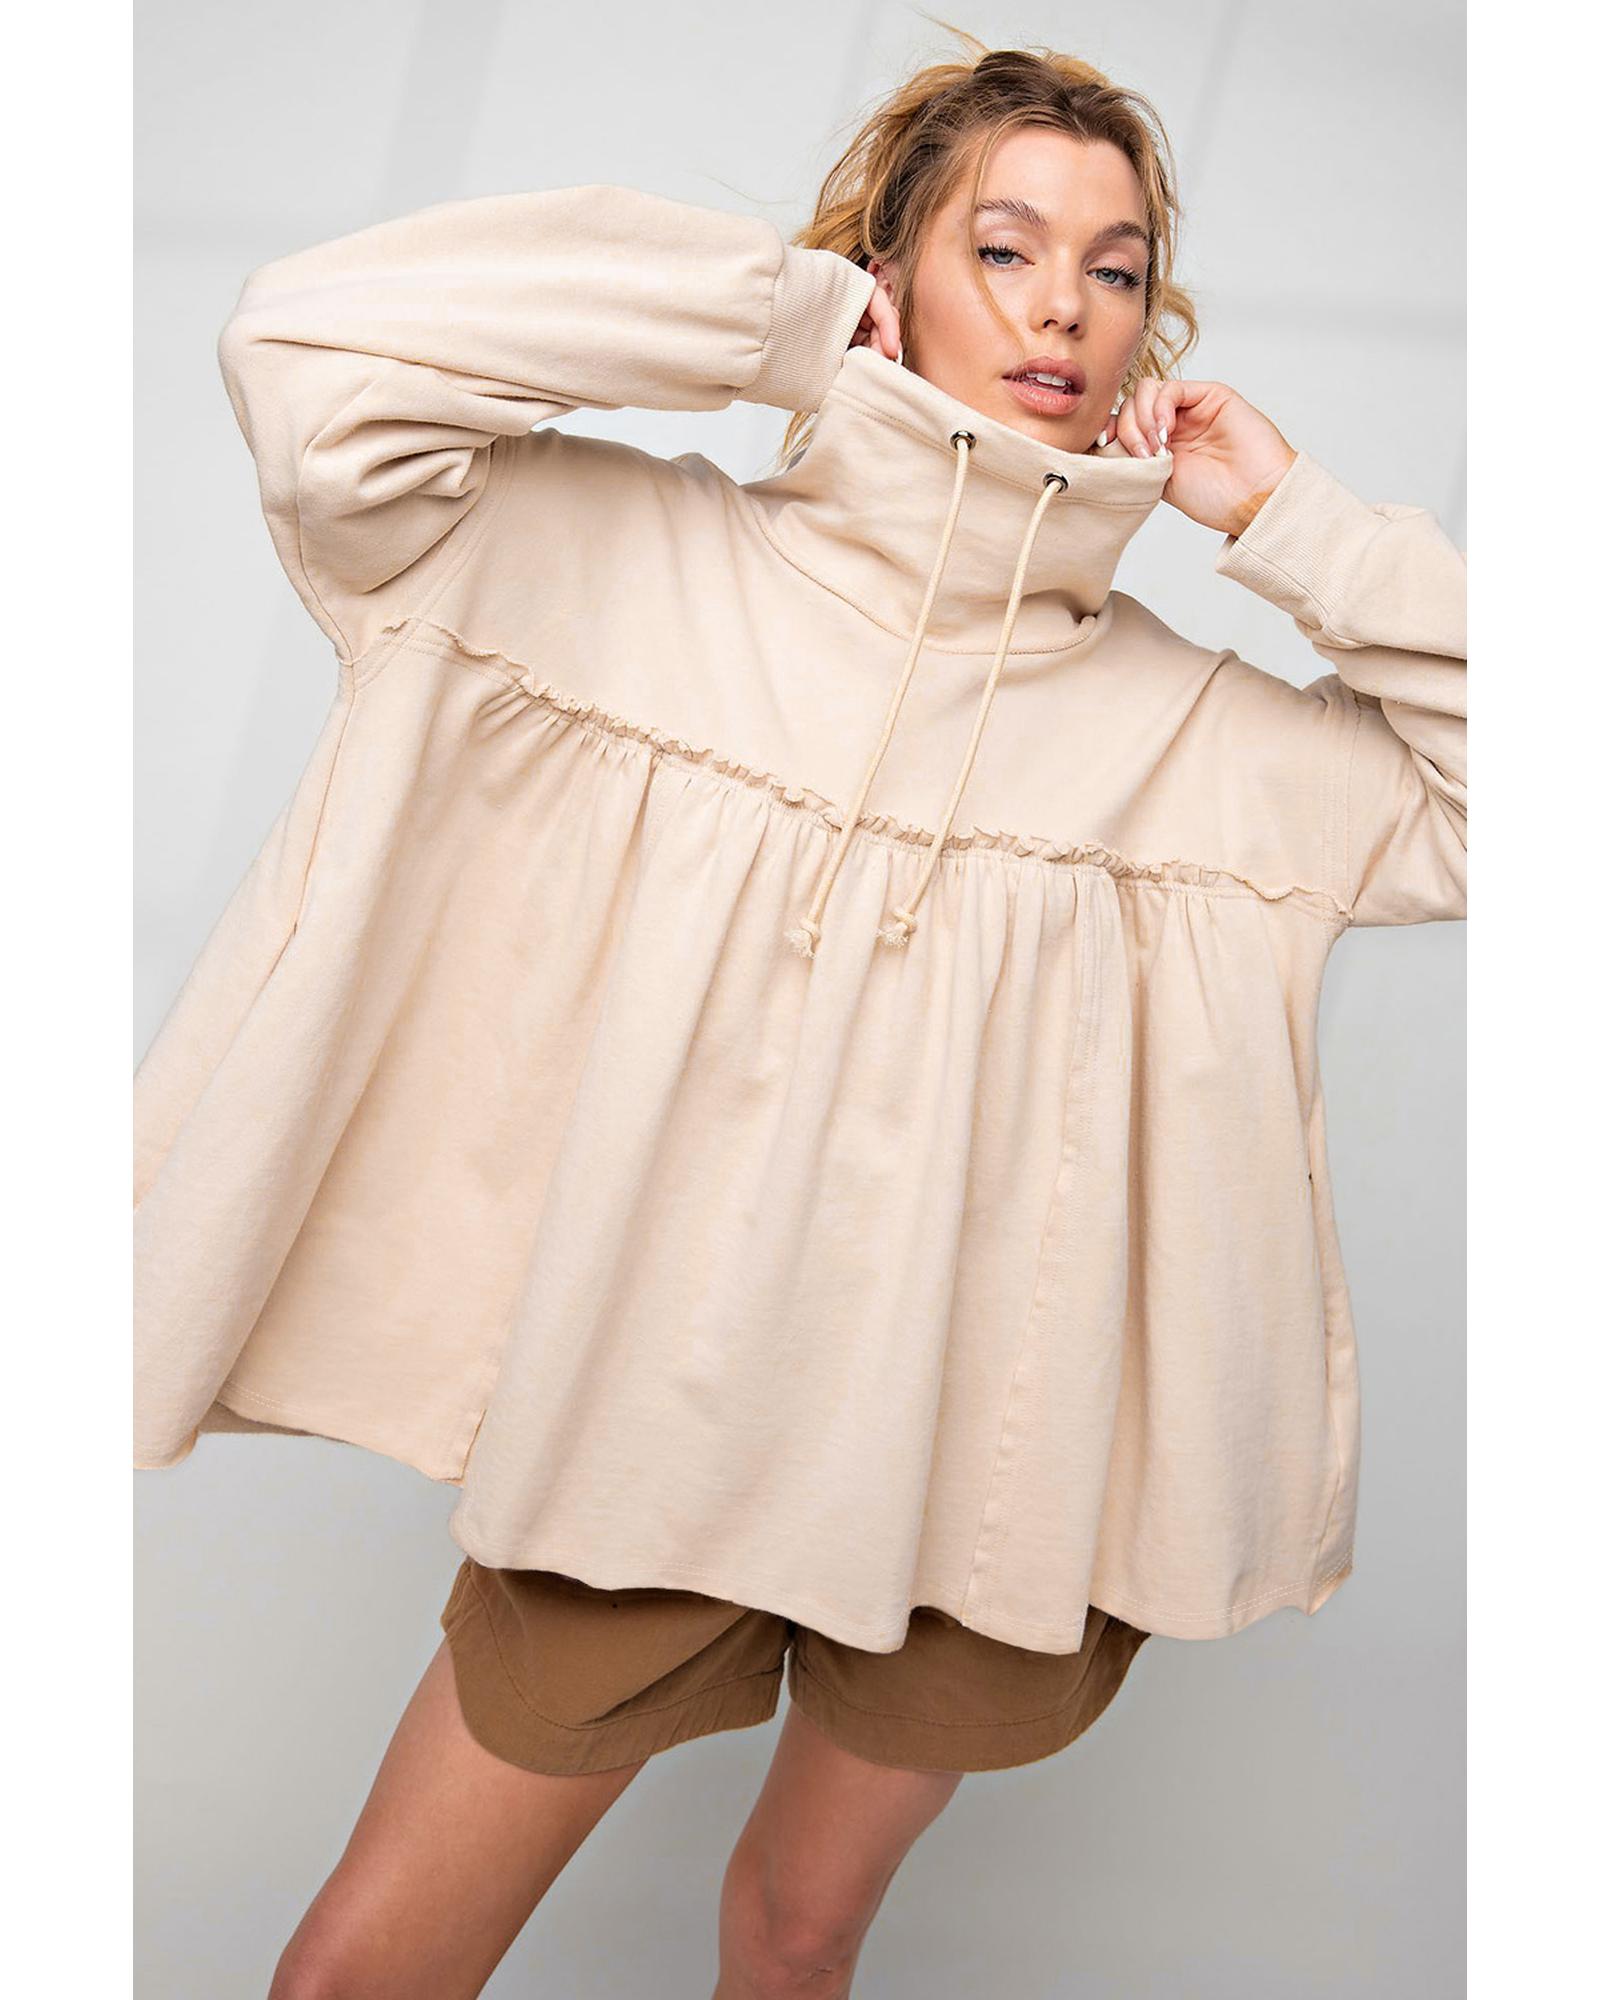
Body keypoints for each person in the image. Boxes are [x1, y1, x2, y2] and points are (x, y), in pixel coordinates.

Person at [133, 32, 1465, 2000]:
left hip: (991, 1470)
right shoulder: (614, 562)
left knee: (799, 1931)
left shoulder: (1192, 737)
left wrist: (1295, 521)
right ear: (887, 271)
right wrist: (768, 324)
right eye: (1002, 246)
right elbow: (309, 354)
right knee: (363, 1972)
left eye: (1111, 269)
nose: (1061, 307)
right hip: (644, 1429)